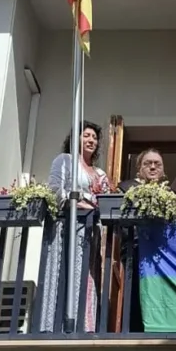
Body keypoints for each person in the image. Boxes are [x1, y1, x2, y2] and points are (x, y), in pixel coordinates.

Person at [41, 120, 112, 333]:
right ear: (76, 139)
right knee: (64, 270)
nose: (91, 140)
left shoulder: (100, 173)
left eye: (94, 137)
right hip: (67, 228)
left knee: (88, 276)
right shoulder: (65, 161)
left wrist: (94, 203)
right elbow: (54, 190)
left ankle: (85, 325)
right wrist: (79, 202)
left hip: (91, 231)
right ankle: (54, 325)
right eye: (86, 135)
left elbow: (106, 200)